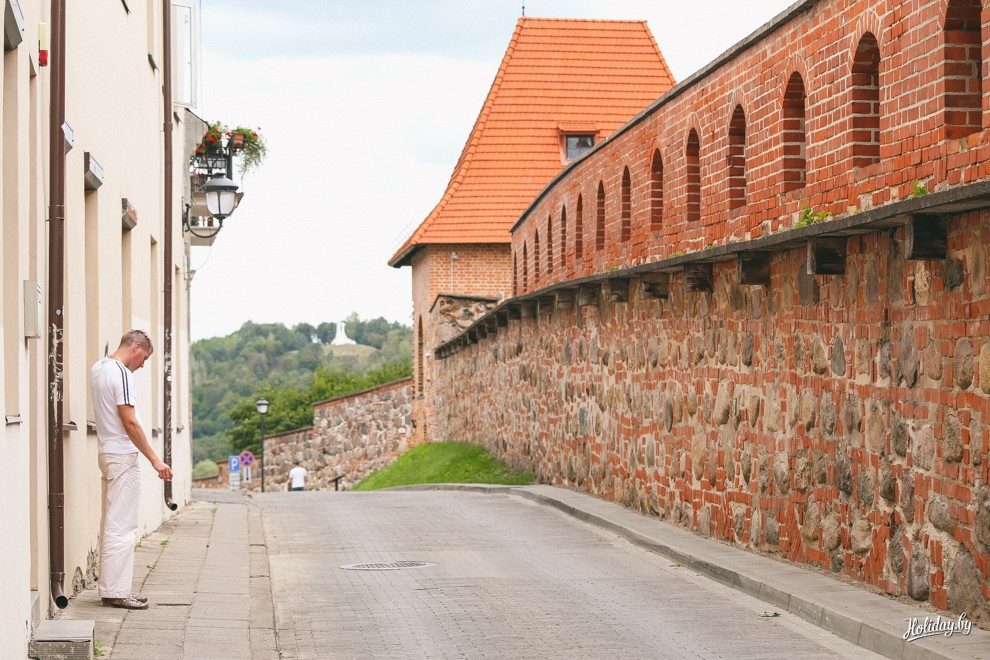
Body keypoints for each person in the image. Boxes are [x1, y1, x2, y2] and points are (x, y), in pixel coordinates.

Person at [90, 330, 173, 610]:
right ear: (136, 347)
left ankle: (114, 588)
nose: (143, 364)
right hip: (123, 455)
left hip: (107, 451)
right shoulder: (122, 373)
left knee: (112, 521)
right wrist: (155, 460)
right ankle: (116, 592)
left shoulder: (98, 368)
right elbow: (131, 423)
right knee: (122, 526)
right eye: (145, 357)